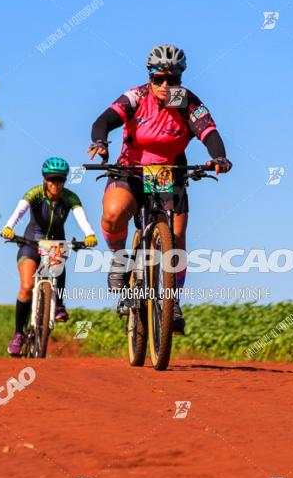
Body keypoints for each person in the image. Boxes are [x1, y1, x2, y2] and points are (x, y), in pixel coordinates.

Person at [88, 43, 232, 334]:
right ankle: (119, 259)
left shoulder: (186, 101)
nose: (166, 86)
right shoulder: (137, 97)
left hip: (170, 172)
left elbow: (208, 132)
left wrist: (218, 156)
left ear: (181, 78)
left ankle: (172, 301)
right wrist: (100, 142)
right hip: (132, 168)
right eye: (159, 79)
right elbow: (103, 121)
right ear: (150, 78)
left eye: (173, 79)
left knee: (177, 237)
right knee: (114, 214)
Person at [0, 157, 97, 356]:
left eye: (60, 180)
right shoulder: (35, 193)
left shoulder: (70, 197)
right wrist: (9, 227)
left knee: (58, 257)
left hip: (55, 243)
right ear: (44, 179)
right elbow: (20, 210)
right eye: (52, 179)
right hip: (31, 243)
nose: (56, 184)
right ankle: (18, 334)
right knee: (27, 286)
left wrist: (89, 234)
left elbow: (81, 216)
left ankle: (59, 304)